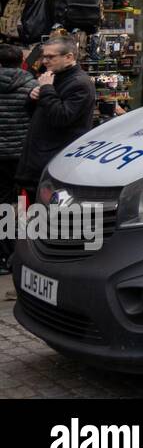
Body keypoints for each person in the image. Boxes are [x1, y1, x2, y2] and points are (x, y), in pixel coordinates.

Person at [16, 35, 96, 203]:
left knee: (46, 217)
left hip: (54, 162)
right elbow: (37, 114)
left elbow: (61, 117)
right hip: (38, 158)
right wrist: (33, 97)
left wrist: (46, 89)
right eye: (44, 56)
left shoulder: (79, 83)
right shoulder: (53, 77)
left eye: (51, 57)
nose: (45, 60)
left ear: (69, 57)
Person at [0, 45, 37, 275]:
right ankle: (21, 251)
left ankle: (4, 251)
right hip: (22, 154)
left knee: (2, 201)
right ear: (21, 61)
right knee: (24, 202)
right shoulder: (32, 87)